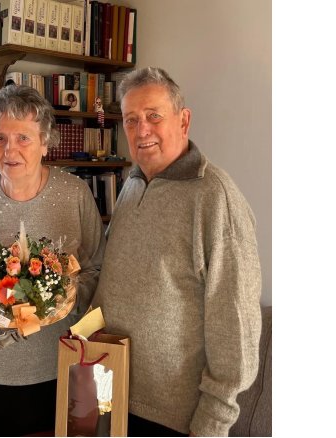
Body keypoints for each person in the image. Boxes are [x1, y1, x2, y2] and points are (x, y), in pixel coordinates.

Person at [90, 66, 261, 437]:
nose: (142, 131)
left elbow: (236, 330)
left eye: (154, 116)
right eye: (131, 120)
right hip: (110, 393)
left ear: (184, 121)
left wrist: (210, 427)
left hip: (172, 419)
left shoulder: (216, 198)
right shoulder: (132, 184)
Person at [0, 84, 105, 436]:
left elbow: (97, 267)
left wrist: (68, 295)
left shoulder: (75, 194)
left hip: (58, 362)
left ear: (45, 143)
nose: (9, 150)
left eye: (23, 138)